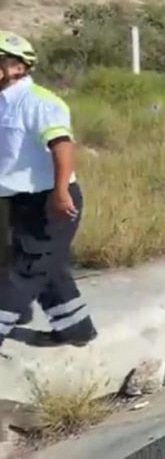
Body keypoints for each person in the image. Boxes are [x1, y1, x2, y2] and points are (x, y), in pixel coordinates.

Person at [0, 31, 97, 349]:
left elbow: (62, 146)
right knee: (46, 268)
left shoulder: (40, 102)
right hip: (16, 200)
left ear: (17, 67)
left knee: (25, 269)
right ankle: (76, 328)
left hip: (50, 200)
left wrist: (60, 191)